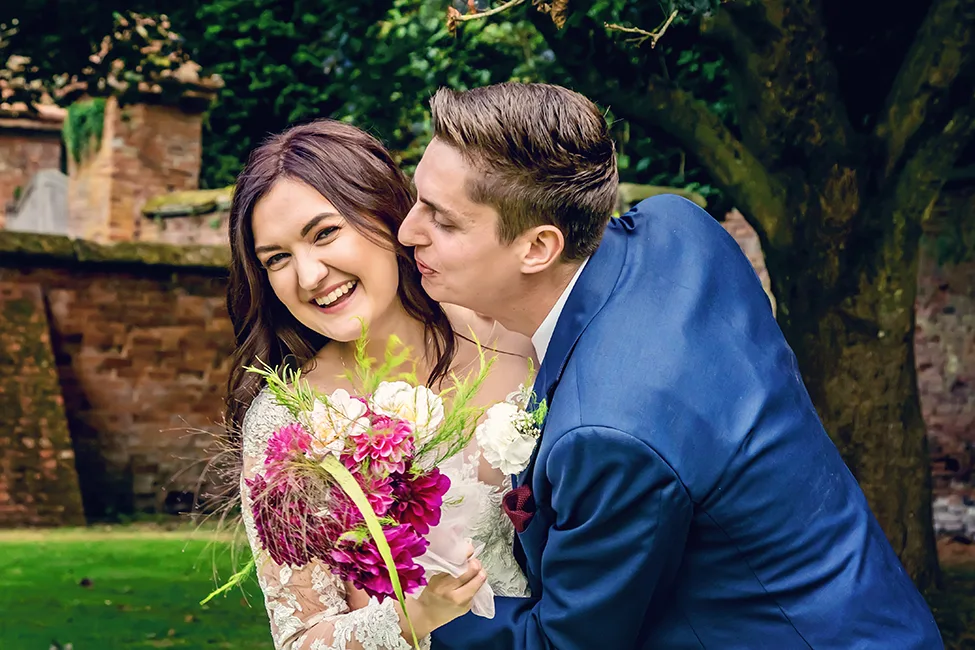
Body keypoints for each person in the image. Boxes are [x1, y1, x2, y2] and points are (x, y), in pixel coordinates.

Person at [397, 81, 945, 649]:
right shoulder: (678, 227)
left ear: (538, 248)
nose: (408, 230)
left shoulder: (606, 434)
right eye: (418, 199)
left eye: (443, 221)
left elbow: (563, 643)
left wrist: (416, 621)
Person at [226, 119, 533, 650]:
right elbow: (301, 638)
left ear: (387, 214)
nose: (308, 276)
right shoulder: (286, 422)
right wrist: (412, 618)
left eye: (324, 234)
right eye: (277, 258)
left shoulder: (520, 342)